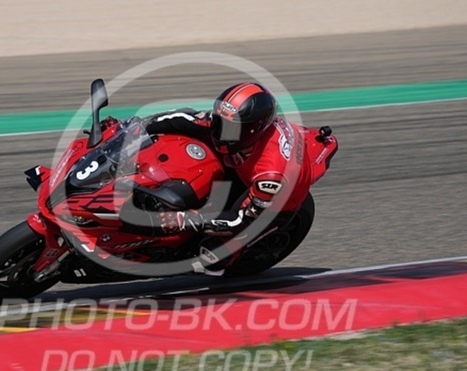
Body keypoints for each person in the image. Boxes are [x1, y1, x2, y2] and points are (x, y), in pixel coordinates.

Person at [125, 82, 329, 273]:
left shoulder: (270, 176)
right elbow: (186, 119)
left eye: (228, 128)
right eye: (219, 121)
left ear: (252, 130)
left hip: (273, 204)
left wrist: (187, 219)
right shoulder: (232, 123)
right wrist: (139, 127)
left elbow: (240, 220)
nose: (219, 130)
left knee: (212, 256)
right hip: (247, 164)